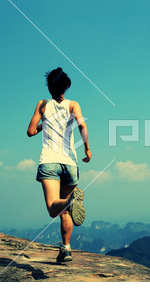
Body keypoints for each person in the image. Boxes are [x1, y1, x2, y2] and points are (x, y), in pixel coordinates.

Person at [27, 67, 92, 263]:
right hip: (70, 163)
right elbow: (82, 125)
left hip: (49, 161)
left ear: (49, 87)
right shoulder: (74, 105)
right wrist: (87, 149)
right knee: (65, 211)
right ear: (66, 86)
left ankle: (69, 202)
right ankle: (66, 248)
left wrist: (43, 125)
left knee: (54, 208)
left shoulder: (42, 104)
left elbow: (30, 132)